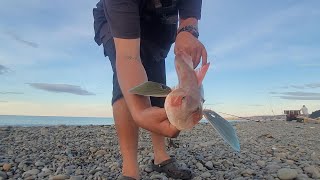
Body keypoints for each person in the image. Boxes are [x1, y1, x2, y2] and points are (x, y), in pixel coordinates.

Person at [93, 0, 207, 179]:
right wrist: (140, 111)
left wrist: (188, 31)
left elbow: (189, 12)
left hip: (159, 22)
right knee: (128, 87)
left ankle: (161, 157)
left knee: (157, 80)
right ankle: (130, 171)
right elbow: (129, 57)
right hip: (117, 21)